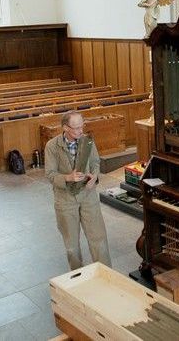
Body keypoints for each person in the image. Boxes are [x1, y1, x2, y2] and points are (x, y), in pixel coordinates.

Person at [45, 111, 111, 270]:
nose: (81, 131)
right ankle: (78, 278)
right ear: (65, 128)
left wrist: (94, 177)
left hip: (88, 197)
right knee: (72, 245)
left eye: (82, 126)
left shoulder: (87, 141)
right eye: (76, 128)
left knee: (99, 239)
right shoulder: (52, 146)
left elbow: (95, 163)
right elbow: (50, 175)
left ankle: (107, 276)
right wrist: (68, 177)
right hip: (65, 200)